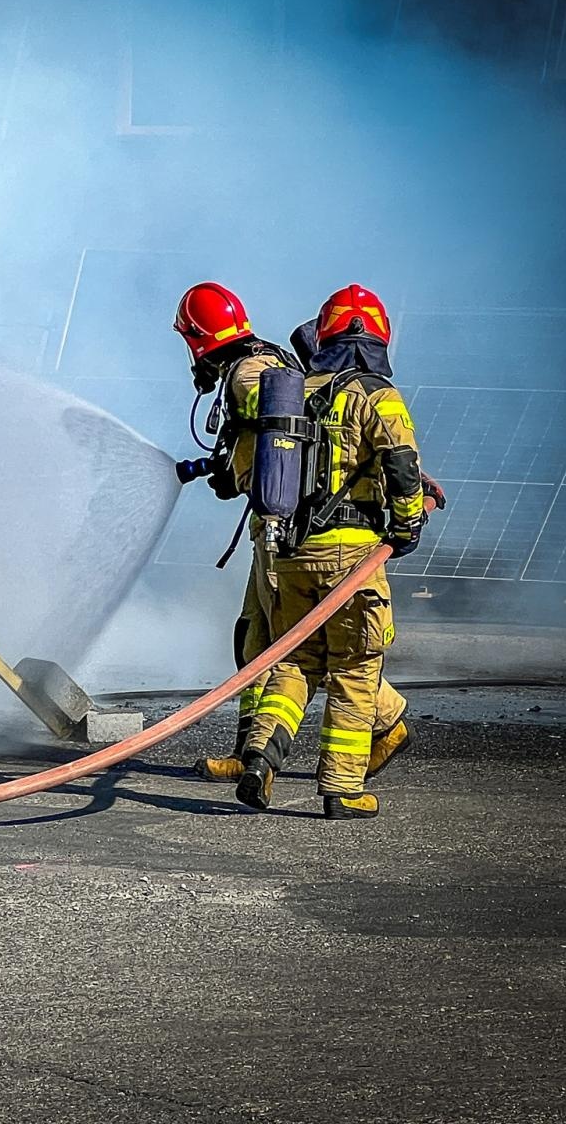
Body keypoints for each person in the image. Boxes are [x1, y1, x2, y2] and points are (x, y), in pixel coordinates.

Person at [172, 285, 415, 784]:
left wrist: (237, 473)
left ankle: (378, 725)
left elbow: (280, 440)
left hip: (287, 527)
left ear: (198, 338)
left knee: (292, 643)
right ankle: (253, 751)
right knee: (265, 639)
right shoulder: (270, 360)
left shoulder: (246, 375)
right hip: (288, 525)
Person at [234, 284, 433, 819]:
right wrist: (408, 524)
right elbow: (401, 463)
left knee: (295, 659)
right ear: (378, 337)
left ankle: (260, 757)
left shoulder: (293, 392)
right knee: (354, 666)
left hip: (292, 553)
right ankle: (342, 788)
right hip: (352, 556)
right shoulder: (376, 394)